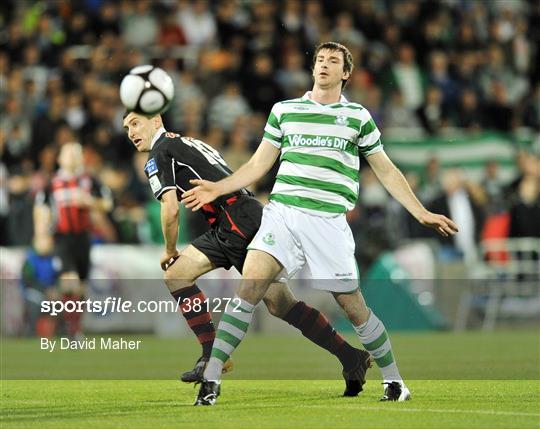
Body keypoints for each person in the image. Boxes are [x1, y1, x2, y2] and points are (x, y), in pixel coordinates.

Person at [182, 42, 459, 405]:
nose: (324, 65)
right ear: (313, 69)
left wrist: (419, 211)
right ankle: (212, 381)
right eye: (320, 60)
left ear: (346, 73)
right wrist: (217, 187)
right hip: (282, 214)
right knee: (250, 287)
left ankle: (394, 382)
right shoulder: (285, 110)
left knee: (353, 307)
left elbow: (386, 170)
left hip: (327, 222)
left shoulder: (358, 117)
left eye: (334, 61)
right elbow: (257, 165)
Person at [122, 110, 371, 394]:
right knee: (279, 303)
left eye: (135, 123)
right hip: (242, 215)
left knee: (177, 274)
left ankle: (211, 357)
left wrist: (169, 250)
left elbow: (169, 209)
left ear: (156, 120)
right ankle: (351, 357)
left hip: (236, 220)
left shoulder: (159, 152)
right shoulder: (186, 142)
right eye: (127, 127)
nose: (130, 132)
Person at [34, 142, 113, 338]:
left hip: (83, 238)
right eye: (68, 153)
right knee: (70, 281)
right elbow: (40, 207)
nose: (72, 157)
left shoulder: (89, 180)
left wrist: (91, 202)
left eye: (75, 153)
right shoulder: (51, 183)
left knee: (81, 287)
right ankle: (71, 329)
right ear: (60, 158)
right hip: (61, 238)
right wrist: (40, 232)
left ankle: (73, 325)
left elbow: (107, 203)